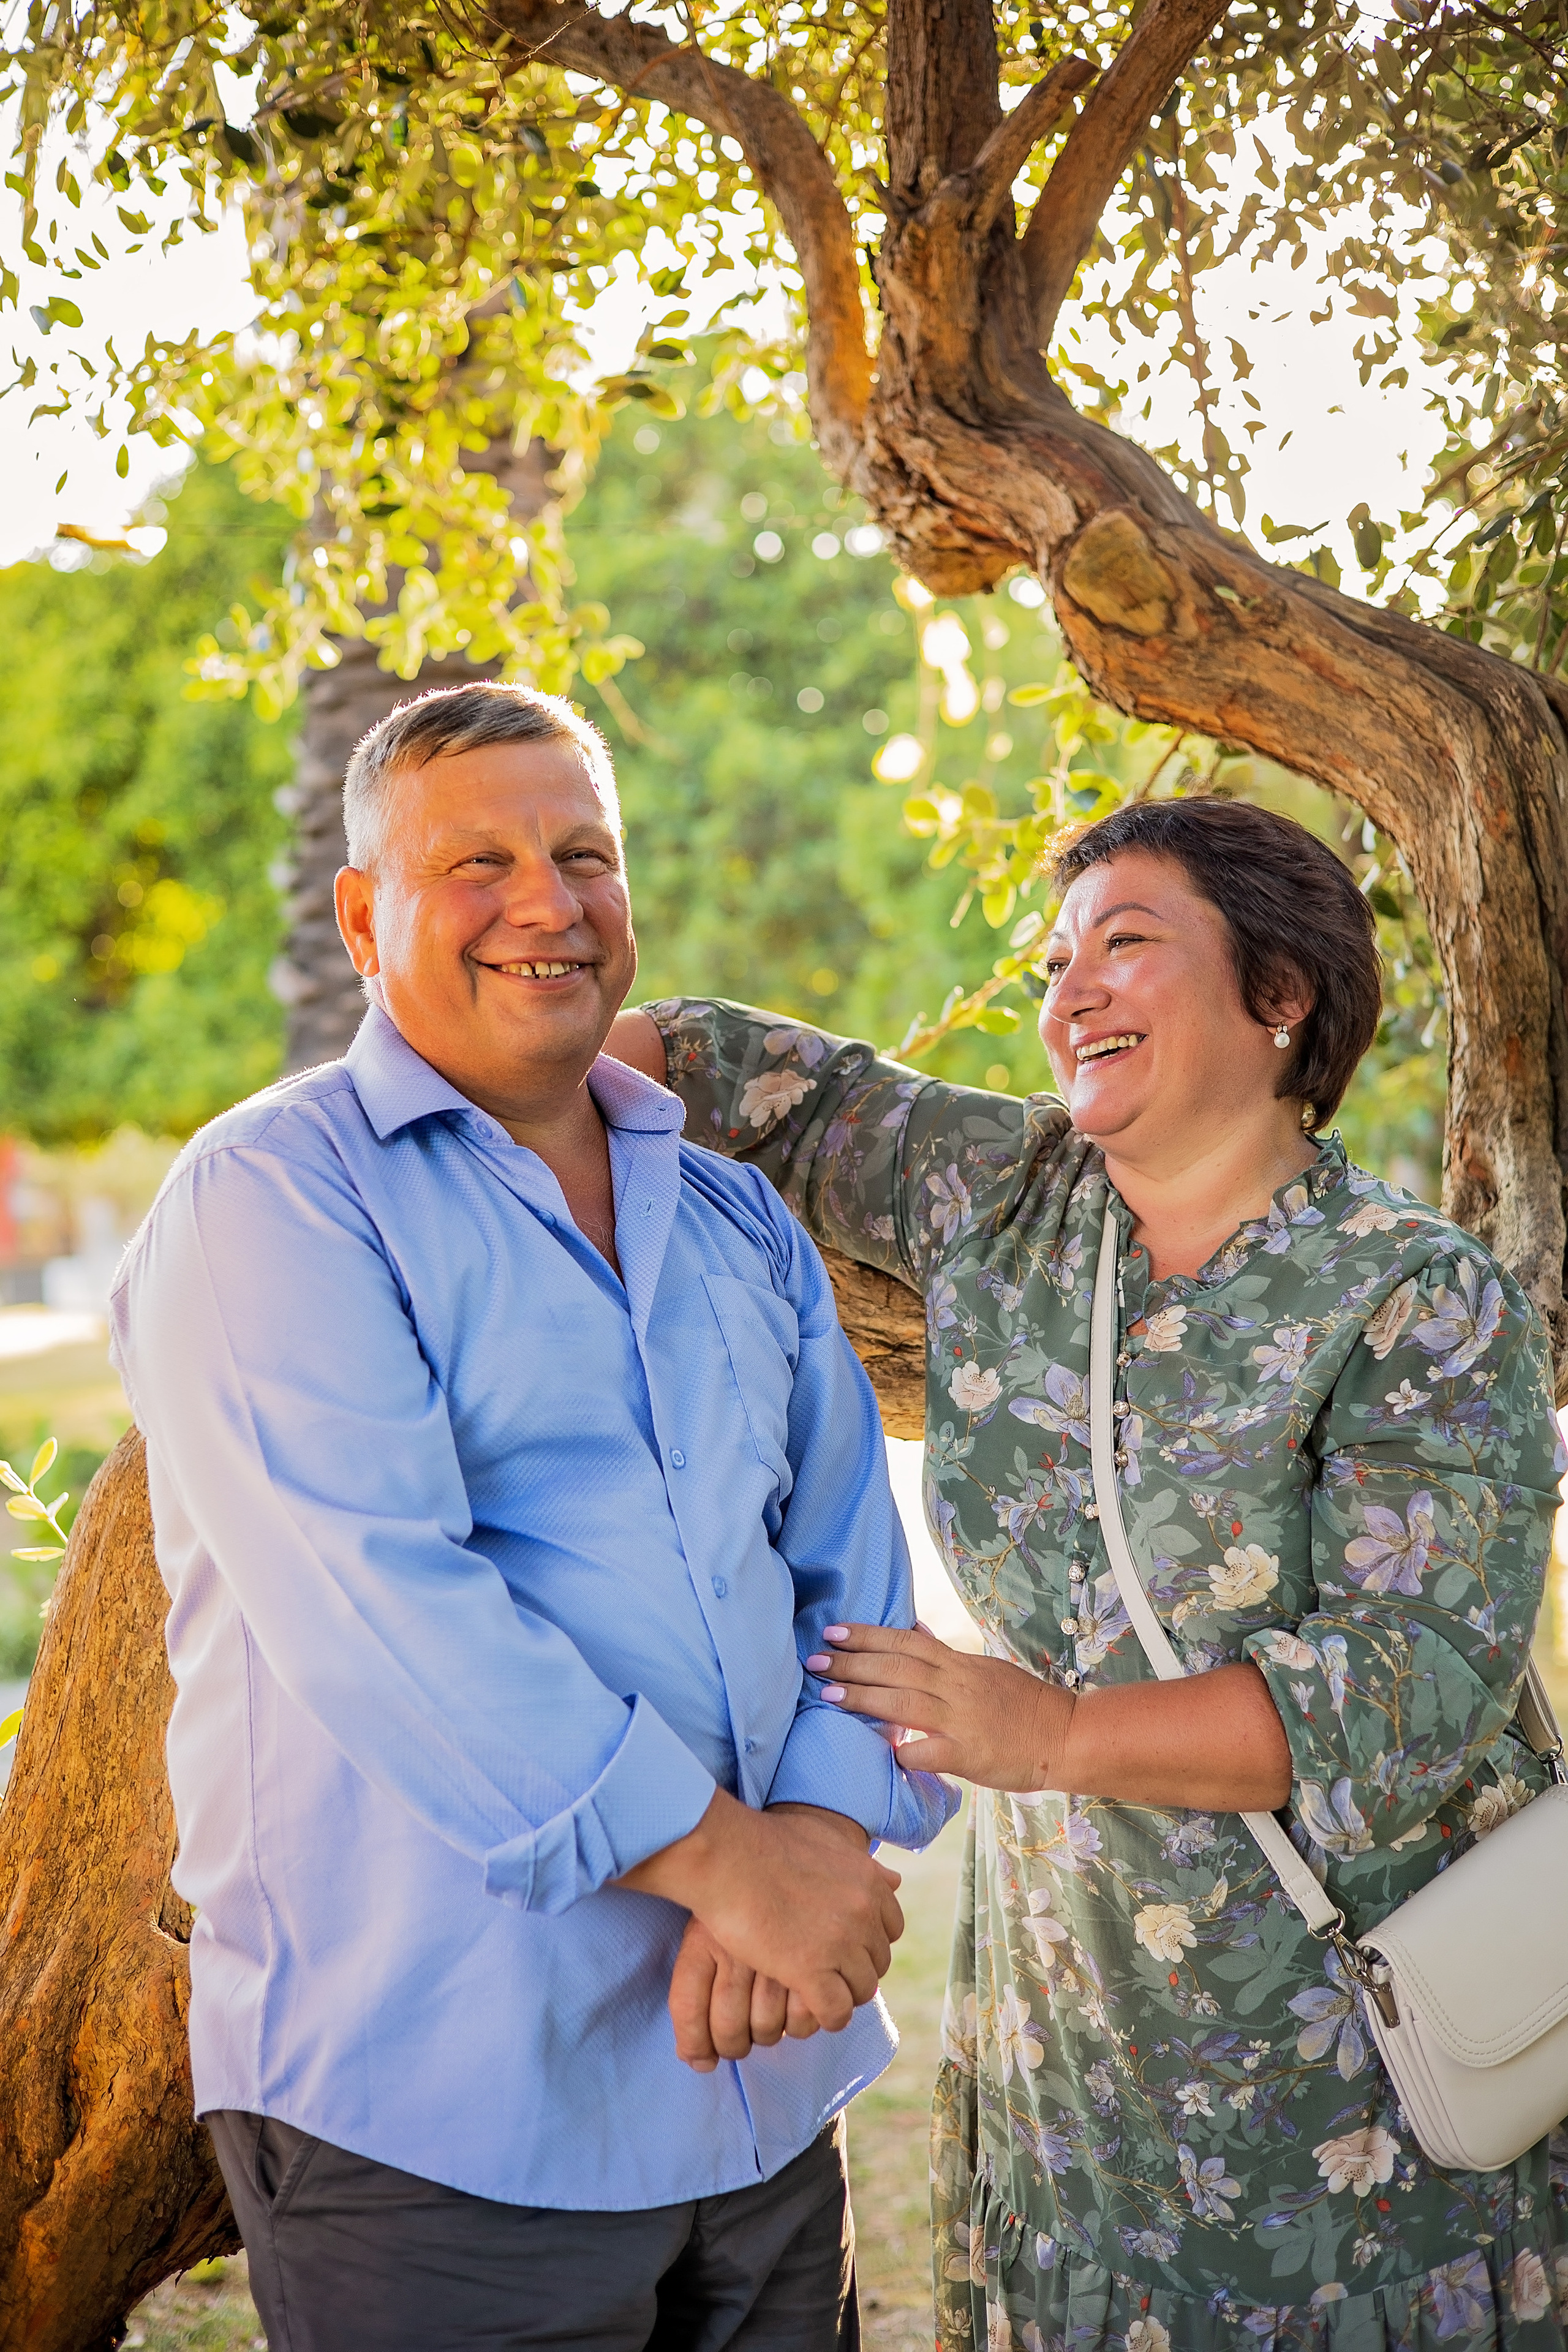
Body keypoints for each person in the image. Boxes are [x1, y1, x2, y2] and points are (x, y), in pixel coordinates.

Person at [608, 795, 1567, 2352]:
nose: (1069, 993)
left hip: (1355, 2057)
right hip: (1070, 2041)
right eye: (1057, 959)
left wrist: (1045, 1737)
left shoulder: (1415, 1297)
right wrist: (428, 1134)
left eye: (1126, 944)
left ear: (1278, 996)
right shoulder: (1009, 1198)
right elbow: (749, 1078)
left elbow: (1411, 1697)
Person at [110, 681, 957, 2352]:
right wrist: (737, 1867)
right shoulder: (269, 1199)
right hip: (445, 2117)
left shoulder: (729, 1212)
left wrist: (820, 1850)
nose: (549, 902)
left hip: (761, 2081)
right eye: (478, 860)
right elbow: (389, 1615)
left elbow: (854, 1565)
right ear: (364, 916)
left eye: (585, 853)